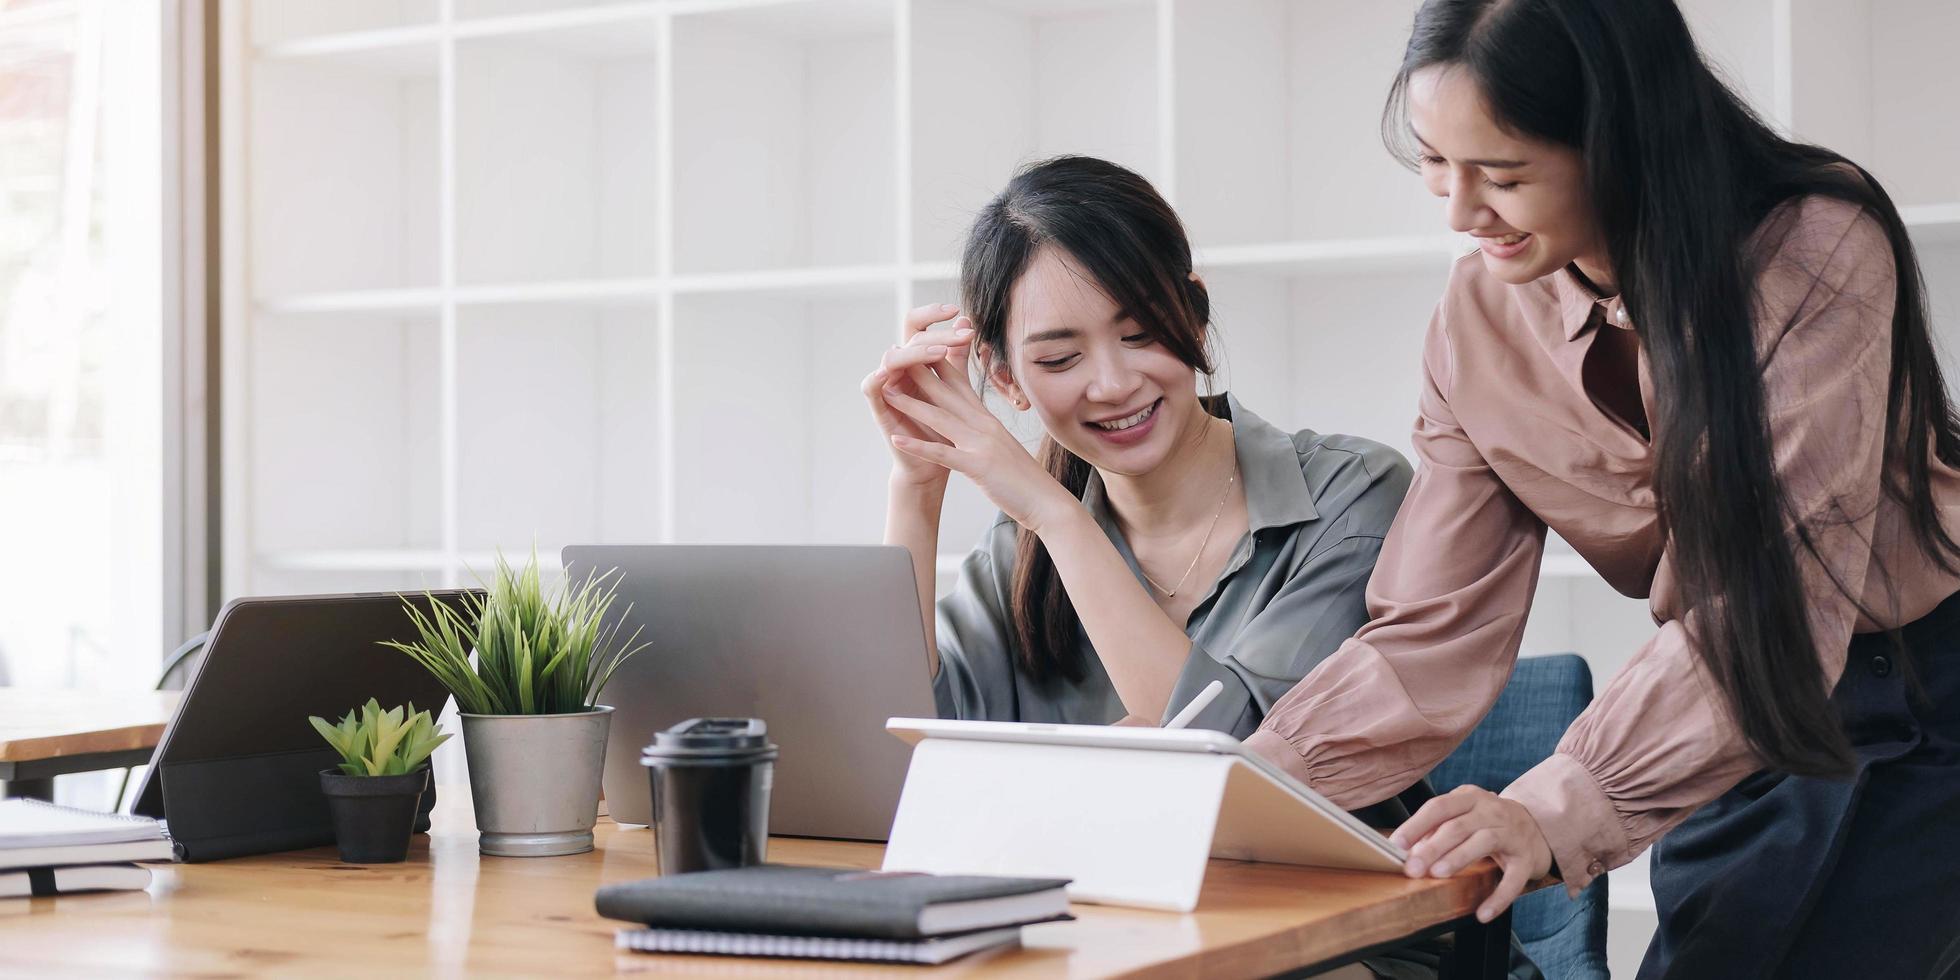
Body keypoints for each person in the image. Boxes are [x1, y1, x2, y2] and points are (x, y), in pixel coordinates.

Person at [1241, 2, 1960, 976]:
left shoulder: (1809, 246)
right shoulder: (1477, 321)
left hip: (1912, 674)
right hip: (1725, 696)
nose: (1458, 212)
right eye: (1434, 163)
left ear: (1620, 138)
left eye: (1501, 174)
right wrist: (1254, 780)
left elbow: (1777, 603)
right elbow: (1428, 628)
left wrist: (1547, 807)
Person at [862, 154, 1412, 747]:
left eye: (1141, 334)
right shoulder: (1017, 553)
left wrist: (1057, 517)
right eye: (1059, 359)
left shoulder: (1352, 497)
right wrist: (916, 488)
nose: (1114, 384)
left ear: (1194, 315)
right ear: (1006, 379)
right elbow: (894, 749)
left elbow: (1252, 767)